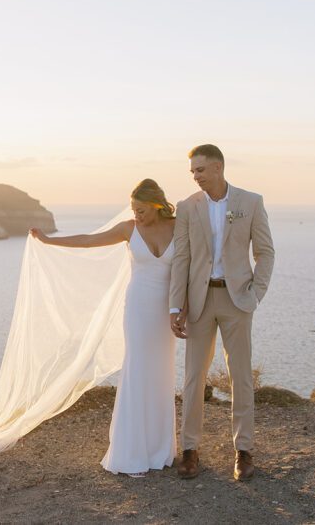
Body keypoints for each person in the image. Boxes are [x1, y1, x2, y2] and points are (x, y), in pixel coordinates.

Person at [31, 178, 177, 476]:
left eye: (142, 209)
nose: (137, 214)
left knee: (162, 373)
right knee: (136, 370)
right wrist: (50, 240)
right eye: (134, 209)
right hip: (138, 307)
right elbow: (88, 240)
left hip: (168, 311)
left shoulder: (178, 226)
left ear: (158, 205)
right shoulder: (128, 229)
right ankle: (131, 450)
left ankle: (160, 449)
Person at [169, 144, 275, 481]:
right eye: (192, 172)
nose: (195, 177)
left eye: (200, 170)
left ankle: (243, 451)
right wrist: (176, 305)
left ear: (217, 167)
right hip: (199, 301)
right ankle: (189, 449)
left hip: (237, 301)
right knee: (193, 378)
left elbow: (266, 253)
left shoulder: (251, 202)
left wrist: (255, 293)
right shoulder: (187, 207)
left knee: (240, 376)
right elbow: (181, 259)